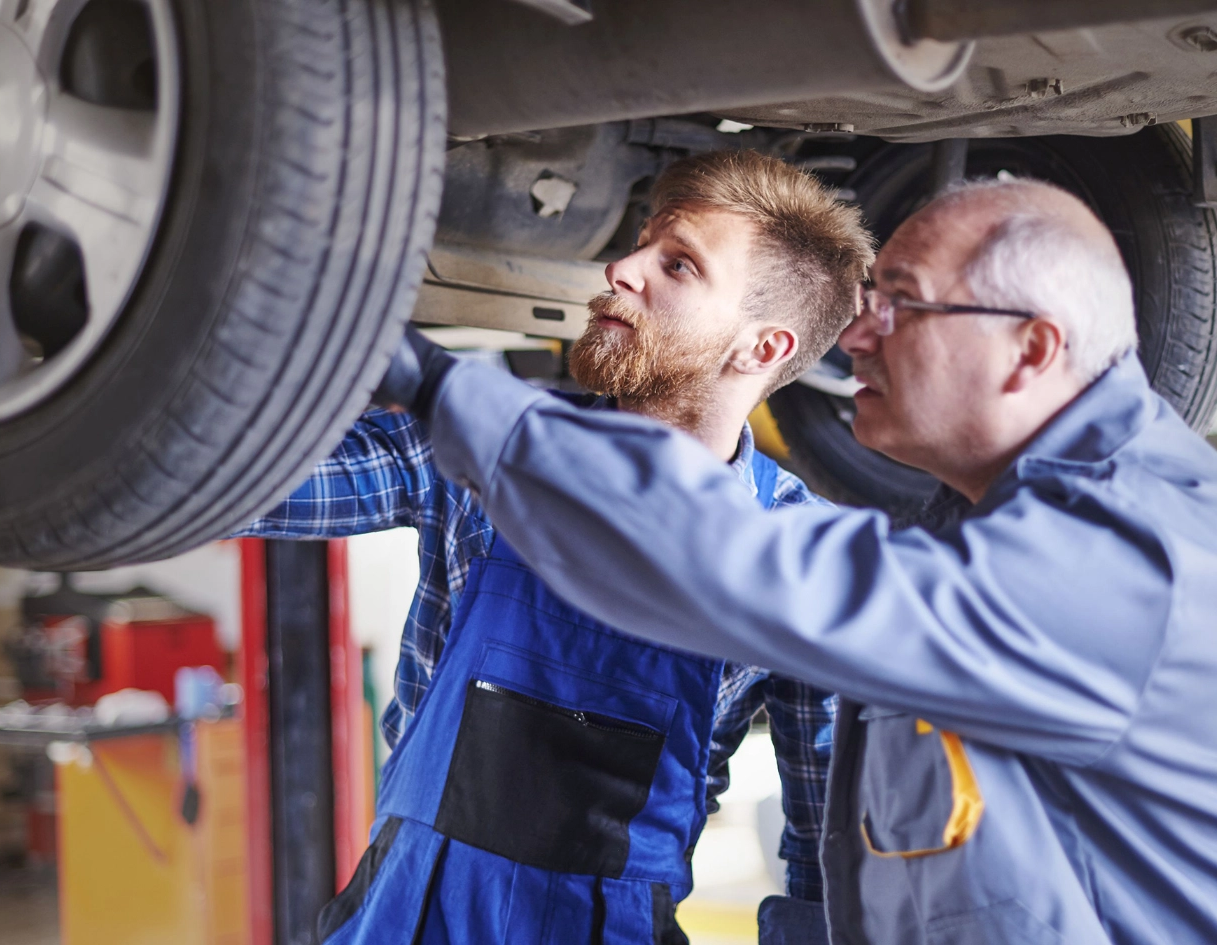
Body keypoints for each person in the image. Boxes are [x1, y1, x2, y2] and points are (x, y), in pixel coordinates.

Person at [384, 177, 1217, 943]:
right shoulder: (992, 524)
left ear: (1030, 348)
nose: (857, 337)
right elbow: (856, 862)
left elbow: (748, 564)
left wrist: (433, 385)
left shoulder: (1134, 553)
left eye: (902, 306)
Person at [237, 151, 875, 944]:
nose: (621, 268)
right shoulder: (488, 434)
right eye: (641, 243)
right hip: (401, 914)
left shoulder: (798, 555)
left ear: (762, 347)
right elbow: (243, 485)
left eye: (676, 265)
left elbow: (825, 857)